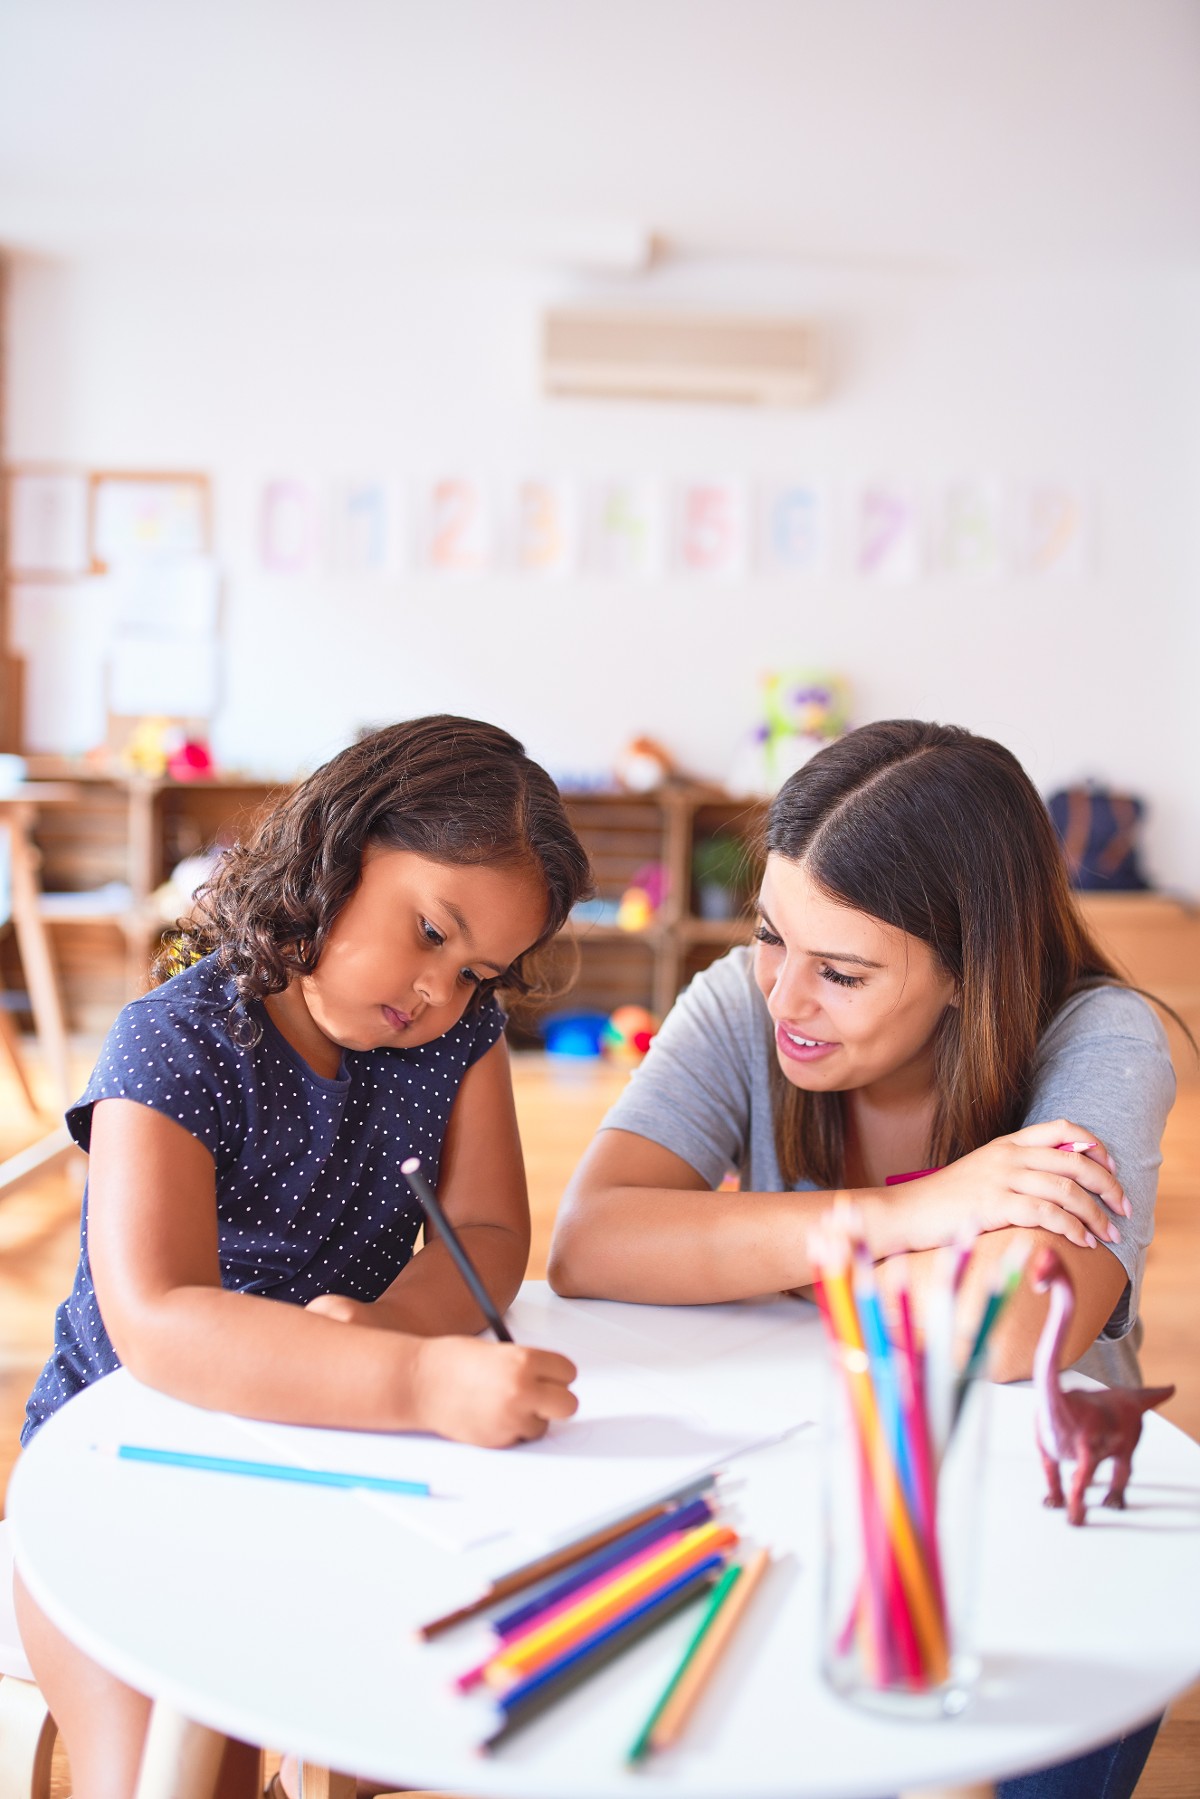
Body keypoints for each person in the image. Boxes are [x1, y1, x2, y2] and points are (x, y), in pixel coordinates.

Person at [550, 718, 1177, 1799]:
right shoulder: (747, 1001)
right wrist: (922, 1212)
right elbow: (592, 1241)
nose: (786, 995)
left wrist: (751, 1247)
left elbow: (1018, 1327)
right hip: (807, 1485)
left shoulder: (1101, 1038)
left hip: (1046, 1529)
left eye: (840, 971)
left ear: (968, 974)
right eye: (768, 934)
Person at [15, 714, 591, 1799]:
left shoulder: (453, 1039)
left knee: (435, 1733)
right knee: (169, 1775)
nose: (439, 992)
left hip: (342, 1450)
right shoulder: (173, 1037)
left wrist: (388, 1330)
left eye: (476, 970)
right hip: (131, 1460)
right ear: (338, 851)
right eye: (429, 931)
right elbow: (161, 1319)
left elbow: (488, 1234)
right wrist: (413, 1374)